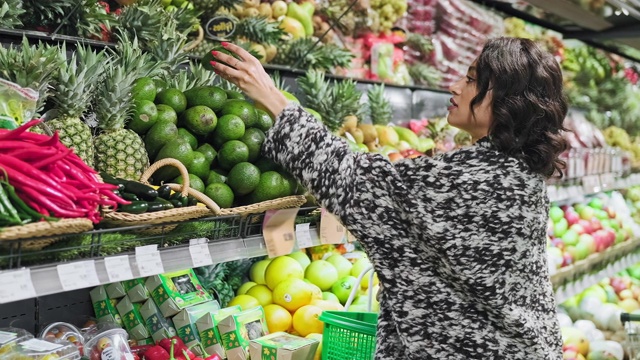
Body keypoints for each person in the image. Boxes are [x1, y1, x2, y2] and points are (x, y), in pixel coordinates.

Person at [209, 37, 567, 359]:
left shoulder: (472, 180)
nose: (456, 86)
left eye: (472, 79)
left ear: (505, 100)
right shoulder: (519, 172)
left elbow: (355, 181)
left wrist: (273, 97)